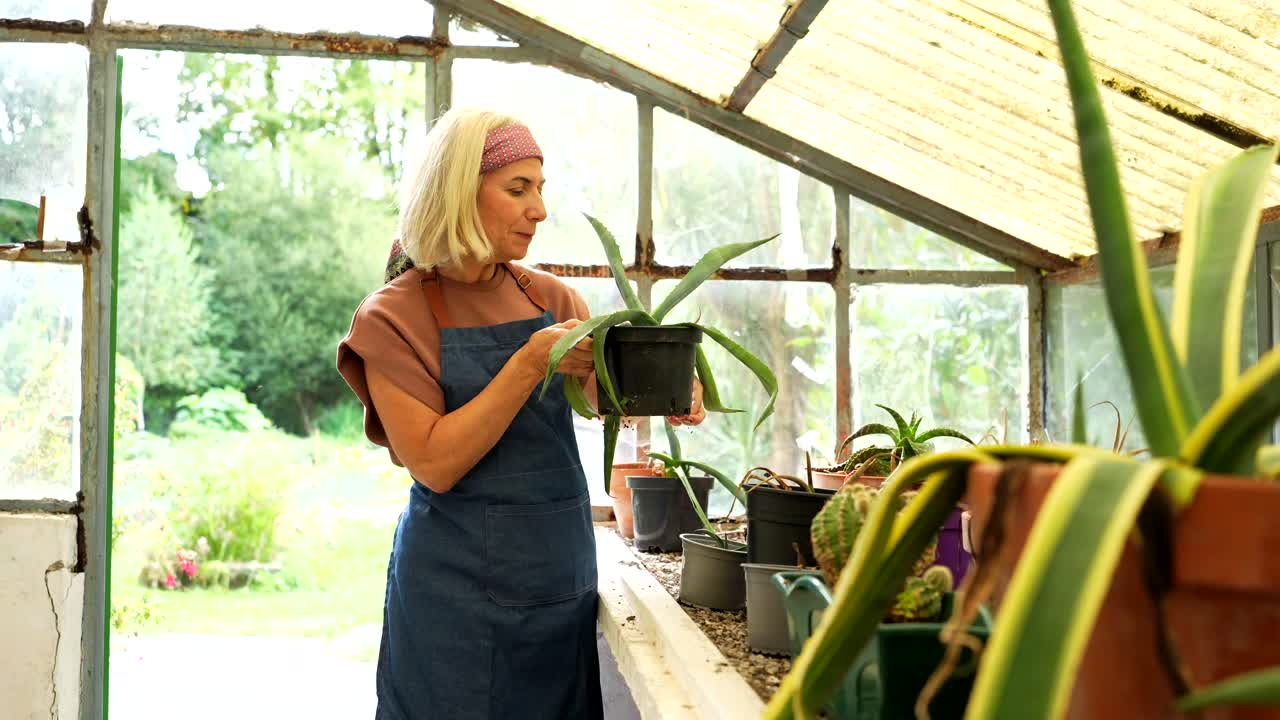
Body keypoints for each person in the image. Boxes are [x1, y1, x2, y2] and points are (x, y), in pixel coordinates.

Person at [337, 108, 704, 720]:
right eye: (518, 189)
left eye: (540, 189)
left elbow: (597, 400)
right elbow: (434, 462)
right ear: (458, 194)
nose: (539, 209)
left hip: (557, 583)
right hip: (449, 599)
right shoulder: (391, 318)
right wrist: (529, 363)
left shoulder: (552, 297)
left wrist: (668, 392)